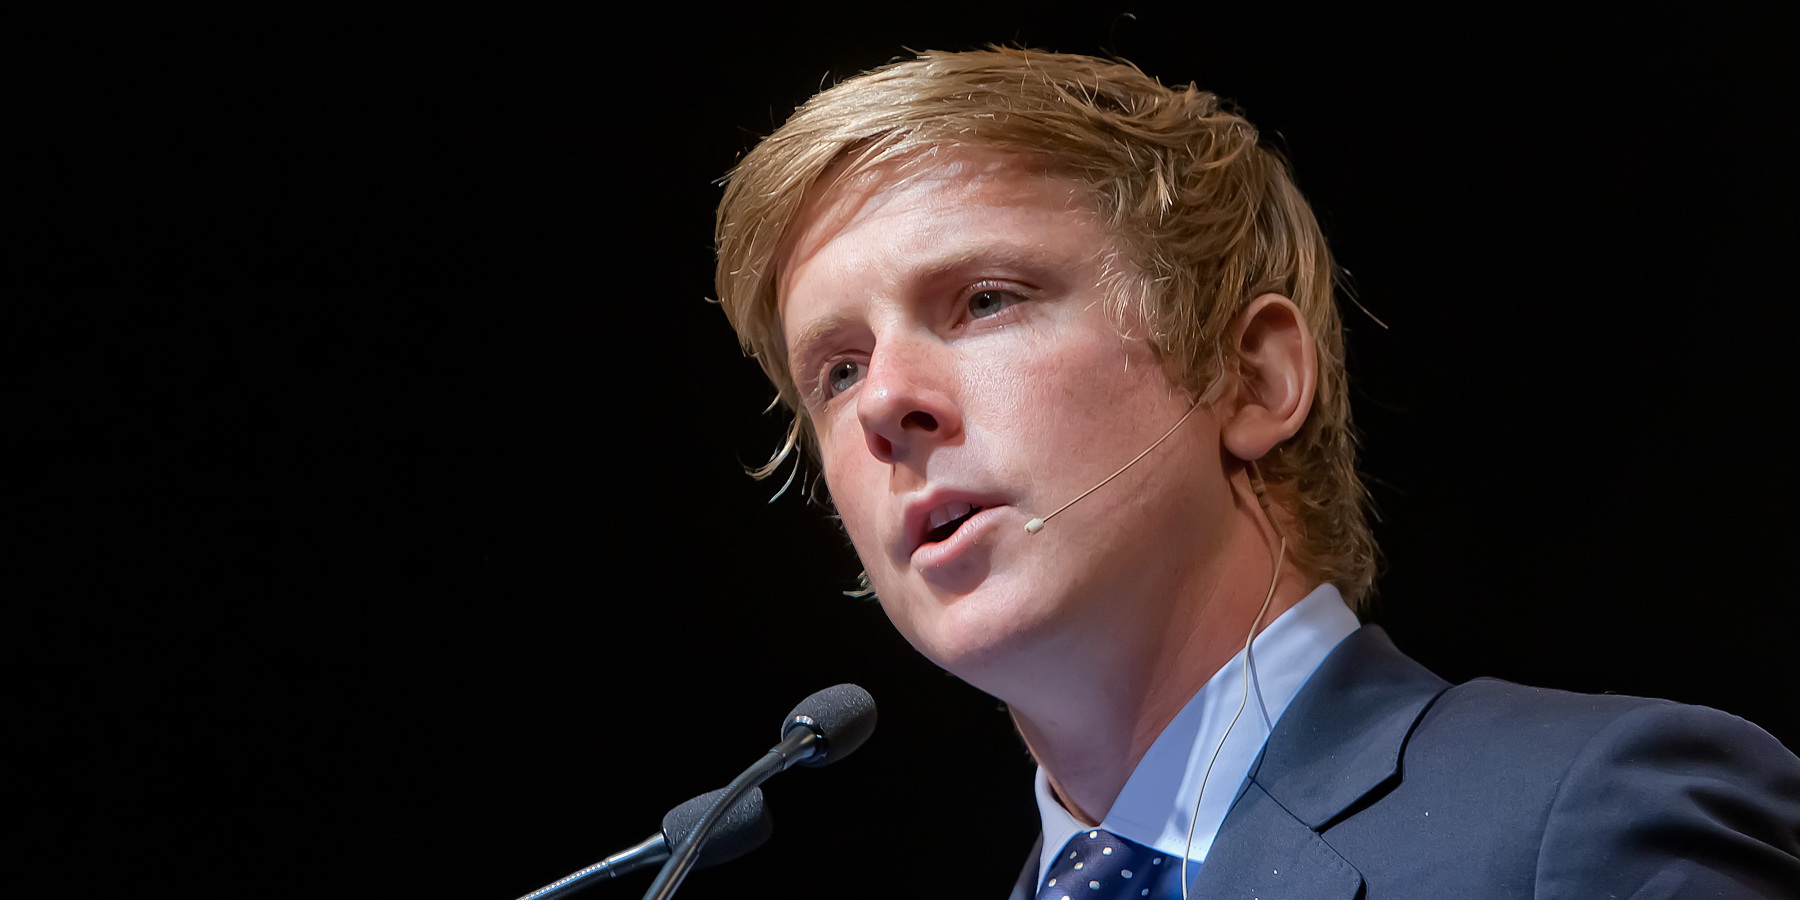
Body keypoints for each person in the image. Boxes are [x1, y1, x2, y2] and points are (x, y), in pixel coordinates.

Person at [711, 48, 1800, 898]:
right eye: (837, 371)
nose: (883, 404)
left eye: (985, 300)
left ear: (1251, 378)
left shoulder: (1590, 820)